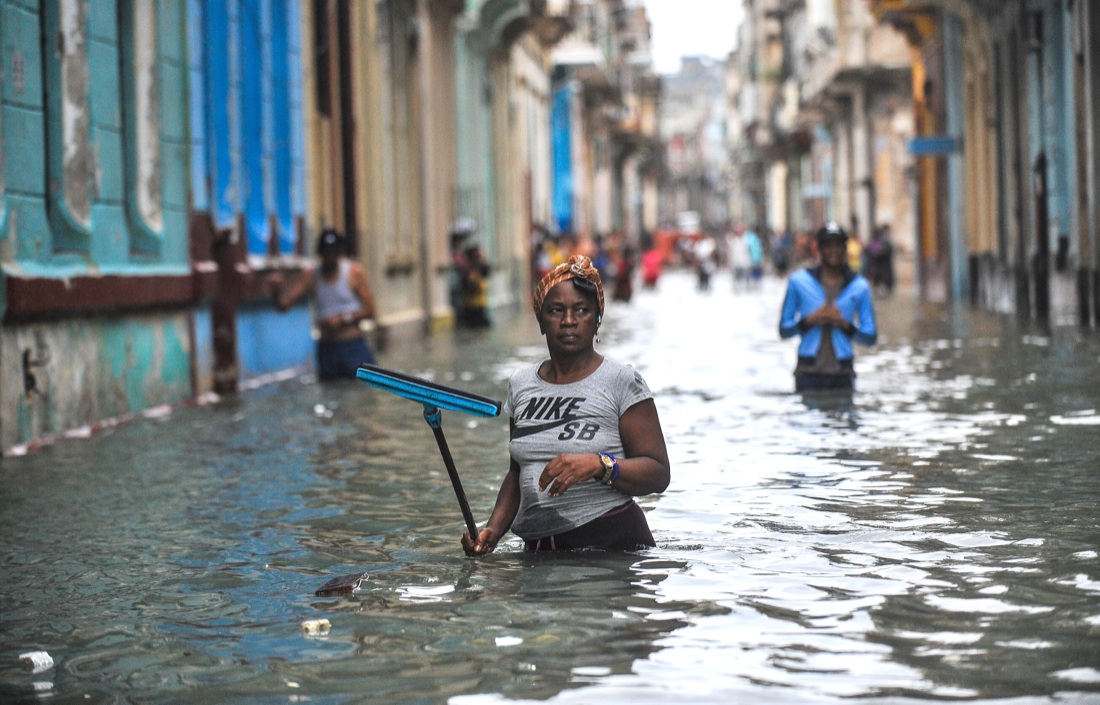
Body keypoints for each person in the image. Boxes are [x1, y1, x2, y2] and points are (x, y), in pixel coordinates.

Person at [462, 255, 671, 555]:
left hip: (612, 550)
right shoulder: (521, 385)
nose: (569, 321)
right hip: (538, 556)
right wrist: (492, 531)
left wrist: (600, 466)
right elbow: (517, 472)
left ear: (597, 320)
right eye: (556, 311)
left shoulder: (621, 381)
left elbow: (658, 473)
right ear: (541, 321)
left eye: (582, 311)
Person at [778, 222, 877, 392]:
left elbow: (870, 337)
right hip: (807, 372)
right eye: (828, 245)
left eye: (838, 245)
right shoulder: (799, 282)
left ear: (845, 249)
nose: (833, 250)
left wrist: (844, 325)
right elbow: (784, 330)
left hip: (843, 373)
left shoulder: (859, 286)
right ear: (819, 248)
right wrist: (810, 320)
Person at [272, 228, 379, 380]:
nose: (330, 257)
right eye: (326, 252)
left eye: (334, 252)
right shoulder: (311, 275)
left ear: (340, 253)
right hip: (328, 350)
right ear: (320, 253)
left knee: (361, 390)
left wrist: (343, 319)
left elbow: (371, 310)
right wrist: (276, 291)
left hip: (353, 347)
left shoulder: (354, 272)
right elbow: (283, 305)